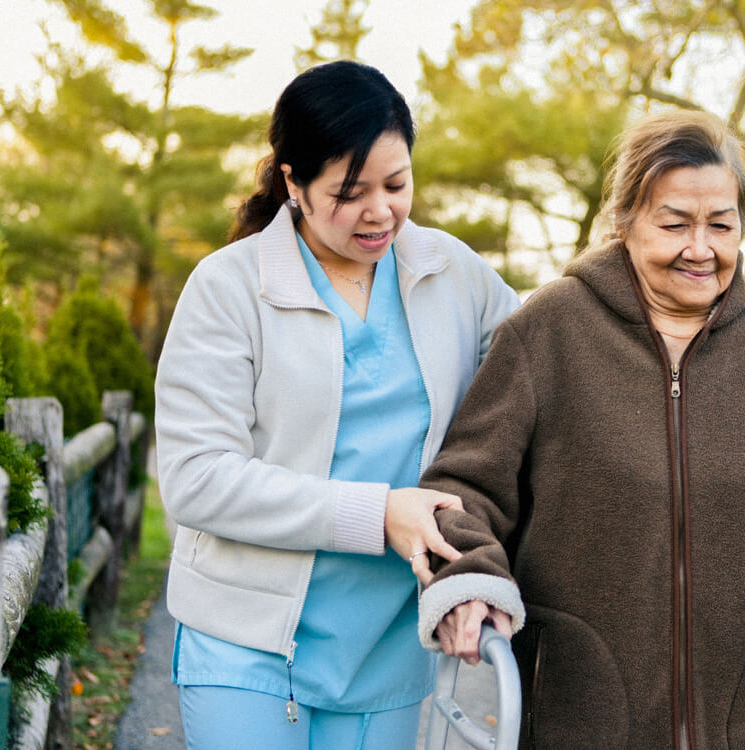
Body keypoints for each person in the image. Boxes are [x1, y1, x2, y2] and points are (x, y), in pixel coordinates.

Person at [416, 110, 745, 749]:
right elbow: (464, 487)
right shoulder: (550, 329)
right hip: (576, 721)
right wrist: (471, 580)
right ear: (624, 222)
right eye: (674, 224)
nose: (701, 248)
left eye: (721, 224)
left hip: (735, 727)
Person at [153, 61, 520, 749]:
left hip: (384, 649)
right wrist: (377, 514)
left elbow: (558, 357)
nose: (380, 210)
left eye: (397, 183)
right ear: (292, 182)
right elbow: (197, 479)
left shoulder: (454, 272)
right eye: (349, 193)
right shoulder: (228, 288)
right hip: (246, 646)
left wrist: (732, 314)